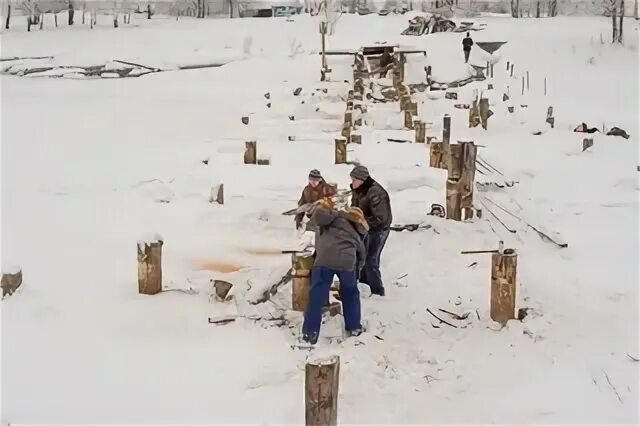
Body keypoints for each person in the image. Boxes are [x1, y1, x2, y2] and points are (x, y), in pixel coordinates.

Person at [301, 201, 369, 345]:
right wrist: (359, 267)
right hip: (346, 261)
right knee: (350, 293)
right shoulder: (354, 230)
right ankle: (354, 327)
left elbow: (320, 241)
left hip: (324, 260)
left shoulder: (330, 219)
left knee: (316, 297)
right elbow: (361, 251)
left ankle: (310, 334)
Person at [349, 165, 392, 296]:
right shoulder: (358, 190)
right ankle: (364, 285)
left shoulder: (375, 193)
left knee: (371, 260)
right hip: (366, 228)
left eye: (354, 180)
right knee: (361, 256)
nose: (352, 182)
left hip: (379, 230)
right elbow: (355, 207)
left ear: (362, 179)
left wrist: (363, 222)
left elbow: (381, 218)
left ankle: (378, 290)